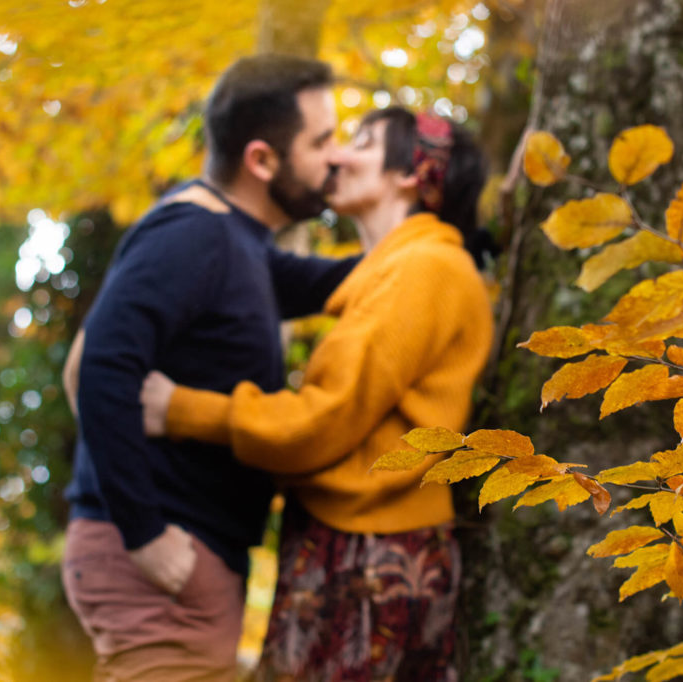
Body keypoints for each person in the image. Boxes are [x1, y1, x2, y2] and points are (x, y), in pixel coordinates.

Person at [141, 106, 494, 681]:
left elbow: (321, 419)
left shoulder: (424, 268)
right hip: (364, 544)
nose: (336, 155)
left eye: (362, 142)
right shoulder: (401, 270)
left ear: (410, 174)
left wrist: (181, 409)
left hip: (370, 554)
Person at [61, 54, 359, 682]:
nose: (335, 157)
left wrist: (459, 232)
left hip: (190, 562)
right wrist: (144, 533)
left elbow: (341, 279)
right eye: (322, 140)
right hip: (157, 561)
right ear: (261, 160)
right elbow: (100, 367)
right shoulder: (192, 235)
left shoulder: (238, 243)